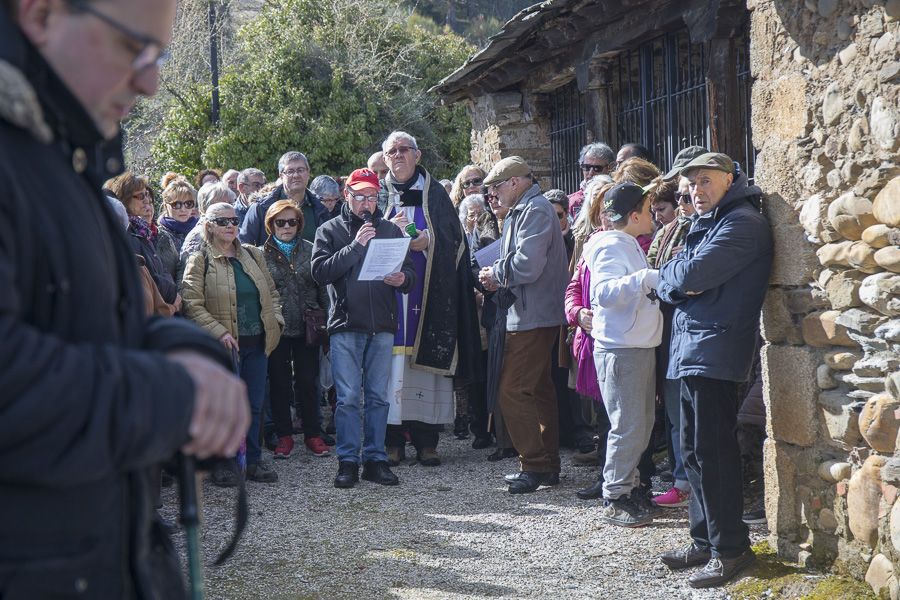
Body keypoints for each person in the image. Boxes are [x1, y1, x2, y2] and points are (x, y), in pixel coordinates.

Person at [0, 1, 250, 596]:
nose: (150, 81)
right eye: (130, 48)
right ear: (40, 15)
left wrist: (190, 353)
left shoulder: (60, 153)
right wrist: (175, 396)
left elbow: (95, 322)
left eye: (157, 56)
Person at [657, 152, 773, 588]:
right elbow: (678, 276)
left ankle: (732, 550)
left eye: (705, 181)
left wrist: (675, 281)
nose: (696, 191)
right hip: (695, 346)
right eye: (692, 184)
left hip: (717, 347)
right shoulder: (710, 222)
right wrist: (676, 280)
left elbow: (686, 276)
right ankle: (705, 540)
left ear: (729, 178)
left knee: (713, 452)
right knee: (691, 450)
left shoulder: (742, 223)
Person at [381, 131, 481, 467]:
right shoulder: (377, 194)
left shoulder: (434, 193)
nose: (398, 155)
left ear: (418, 154)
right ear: (385, 158)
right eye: (392, 151)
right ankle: (392, 441)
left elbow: (456, 240)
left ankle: (427, 442)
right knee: (389, 369)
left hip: (428, 294)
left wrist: (429, 241)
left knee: (425, 368)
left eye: (404, 150)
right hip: (389, 299)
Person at [311, 168, 415, 488]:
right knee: (348, 397)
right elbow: (319, 272)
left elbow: (408, 271)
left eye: (372, 196)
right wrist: (356, 246)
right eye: (360, 196)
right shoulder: (329, 230)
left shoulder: (390, 230)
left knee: (378, 397)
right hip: (346, 325)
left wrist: (403, 279)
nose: (367, 203)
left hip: (382, 324)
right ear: (347, 195)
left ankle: (375, 459)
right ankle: (347, 461)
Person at [478, 156, 569, 494]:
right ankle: (546, 464)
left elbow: (527, 267)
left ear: (515, 182)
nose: (493, 193)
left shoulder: (534, 211)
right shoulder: (529, 210)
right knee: (538, 388)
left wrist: (493, 274)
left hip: (533, 315)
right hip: (535, 313)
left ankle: (534, 465)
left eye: (496, 186)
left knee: (512, 390)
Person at [182, 203, 285, 484]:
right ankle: (223, 463)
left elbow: (272, 292)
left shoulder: (253, 254)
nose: (230, 225)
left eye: (234, 220)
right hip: (222, 347)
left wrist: (275, 320)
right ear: (210, 225)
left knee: (253, 405)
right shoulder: (199, 259)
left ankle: (253, 460)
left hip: (257, 343)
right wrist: (218, 332)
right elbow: (192, 304)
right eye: (222, 220)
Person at [583, 181, 661, 527]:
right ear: (633, 215)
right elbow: (604, 293)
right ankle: (615, 495)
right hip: (621, 348)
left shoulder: (624, 242)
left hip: (635, 346)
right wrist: (645, 279)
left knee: (639, 425)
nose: (652, 217)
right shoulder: (612, 244)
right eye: (647, 211)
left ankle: (629, 488)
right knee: (628, 426)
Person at [262, 200, 330, 459]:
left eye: (292, 221)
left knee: (308, 382)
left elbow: (323, 288)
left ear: (299, 223)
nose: (287, 227)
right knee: (279, 384)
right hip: (277, 326)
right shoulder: (260, 254)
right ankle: (284, 436)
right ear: (271, 224)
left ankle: (313, 433)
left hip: (307, 325)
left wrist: (328, 322)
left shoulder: (312, 250)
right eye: (281, 222)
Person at [240, 151, 329, 246]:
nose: (296, 175)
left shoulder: (322, 209)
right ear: (281, 176)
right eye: (290, 171)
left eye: (300, 170)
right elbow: (244, 247)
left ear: (308, 173)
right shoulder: (261, 208)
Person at [156, 176, 198, 281]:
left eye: (188, 204)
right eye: (177, 204)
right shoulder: (159, 235)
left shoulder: (200, 230)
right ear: (166, 205)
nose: (183, 209)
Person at [569, 143, 615, 219]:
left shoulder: (617, 196)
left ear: (610, 168)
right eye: (587, 167)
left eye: (597, 168)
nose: (591, 173)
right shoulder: (572, 201)